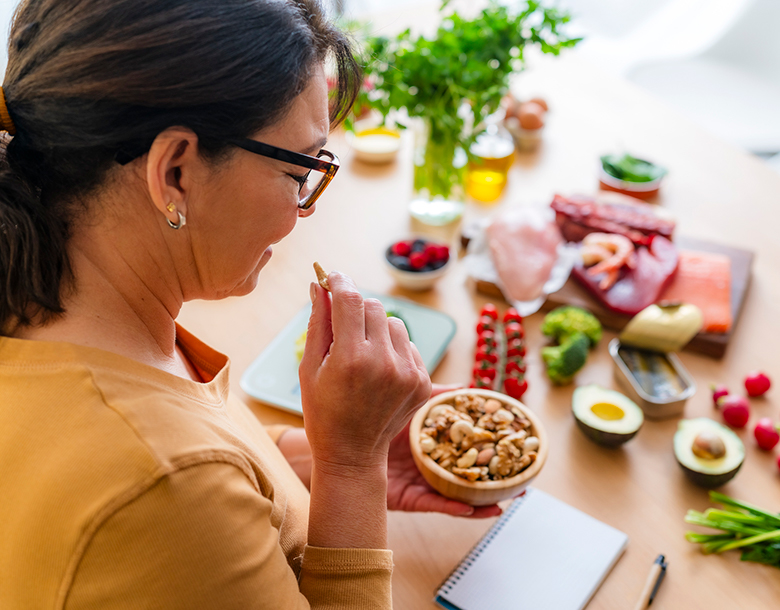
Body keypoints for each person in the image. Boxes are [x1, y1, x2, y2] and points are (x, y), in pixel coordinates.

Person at [0, 1, 501, 608]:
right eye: (300, 173)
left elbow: (198, 448)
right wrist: (352, 467)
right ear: (176, 173)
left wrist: (316, 451)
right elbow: (175, 482)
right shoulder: (163, 490)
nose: (305, 210)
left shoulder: (60, 302)